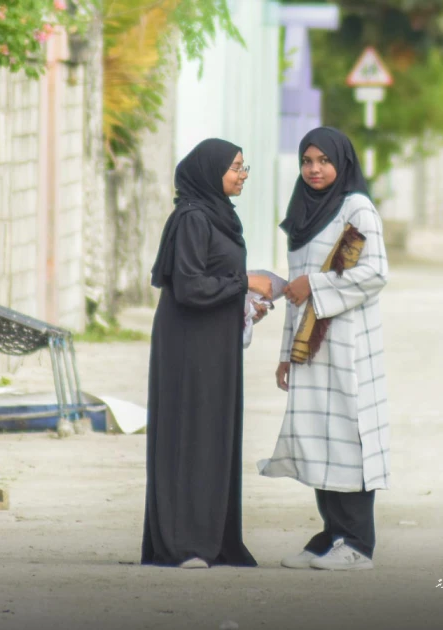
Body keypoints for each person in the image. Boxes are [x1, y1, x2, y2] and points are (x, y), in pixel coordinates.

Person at [258, 127, 390, 571]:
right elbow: (294, 295)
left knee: (348, 436)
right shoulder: (303, 212)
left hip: (347, 345)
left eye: (324, 161)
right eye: (307, 161)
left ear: (342, 163)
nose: (314, 170)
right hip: (309, 346)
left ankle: (357, 544)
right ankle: (332, 534)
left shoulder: (357, 208)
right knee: (318, 437)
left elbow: (375, 273)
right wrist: (286, 354)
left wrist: (314, 284)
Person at [142, 138, 272, 569]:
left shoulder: (219, 215)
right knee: (189, 435)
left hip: (215, 342)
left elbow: (216, 279)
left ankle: (211, 541)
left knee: (214, 436)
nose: (242, 175)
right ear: (210, 171)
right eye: (235, 167)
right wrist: (245, 283)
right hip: (189, 345)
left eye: (244, 166)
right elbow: (190, 286)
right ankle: (182, 545)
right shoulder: (192, 218)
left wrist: (244, 302)